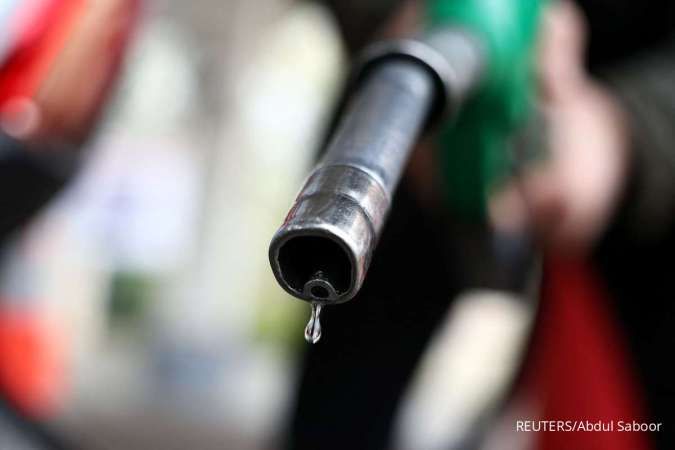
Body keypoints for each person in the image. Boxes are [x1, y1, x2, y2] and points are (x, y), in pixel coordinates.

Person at [286, 1, 675, 449]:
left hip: (639, 178)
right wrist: (386, 15)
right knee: (341, 408)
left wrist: (632, 131)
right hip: (412, 128)